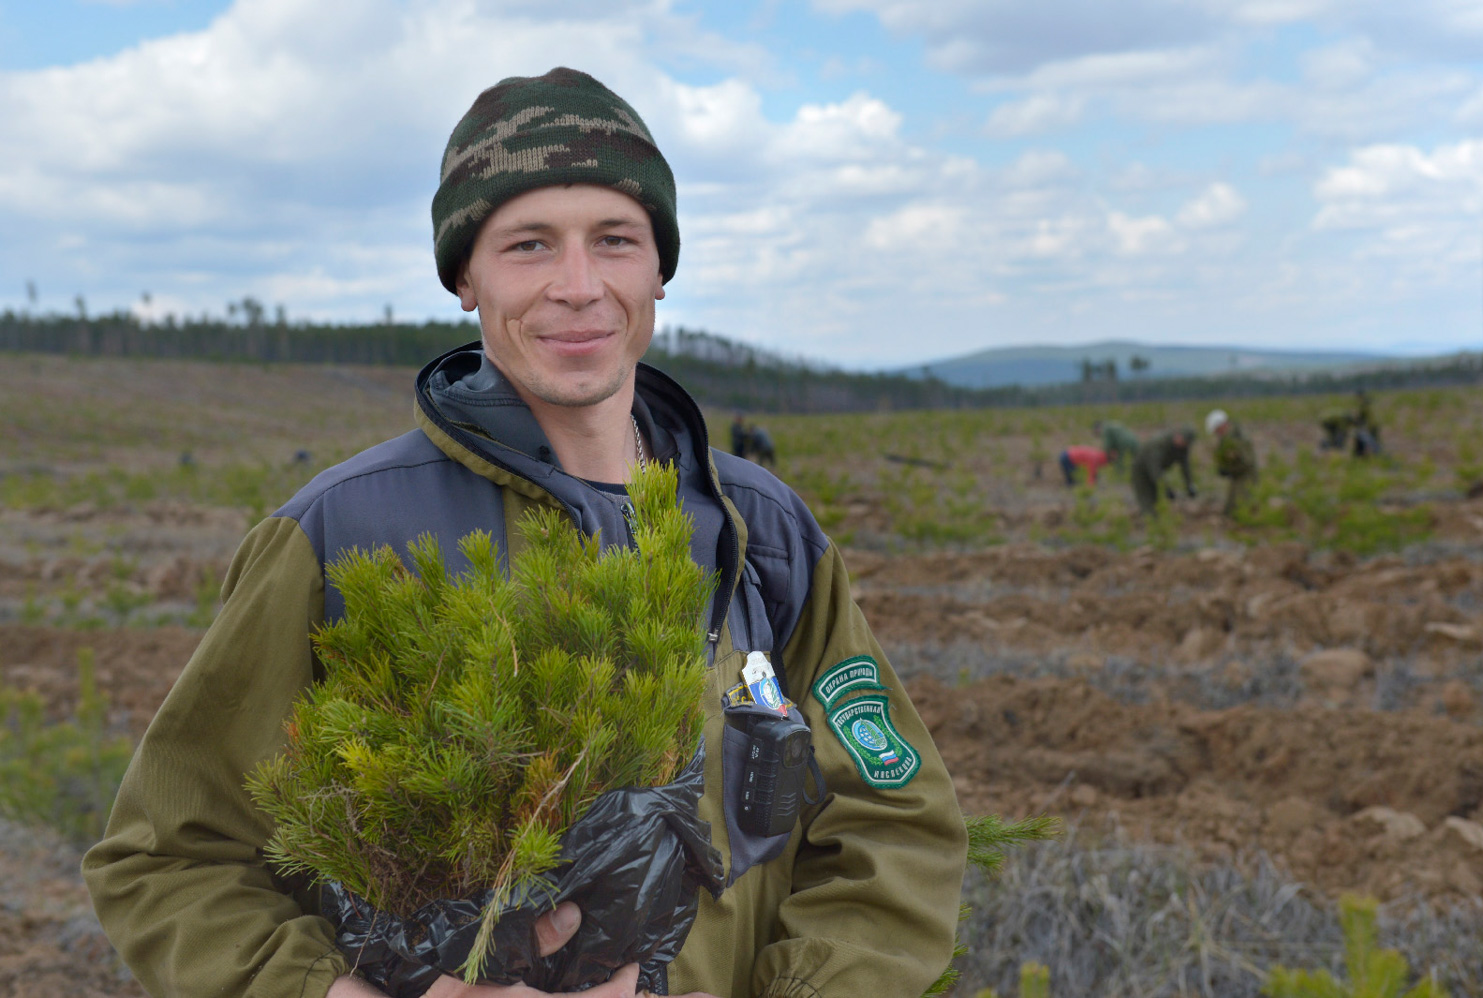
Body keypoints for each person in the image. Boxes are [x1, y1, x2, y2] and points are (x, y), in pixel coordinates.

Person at [82, 68, 966, 998]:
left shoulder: (762, 533)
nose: (577, 287)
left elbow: (890, 821)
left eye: (615, 241)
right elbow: (168, 857)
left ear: (658, 267)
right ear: (466, 275)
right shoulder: (343, 535)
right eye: (529, 244)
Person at [1132, 427, 1196, 514]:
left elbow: (1185, 467)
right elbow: (1154, 468)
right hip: (1141, 470)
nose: (1183, 444)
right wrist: (1166, 488)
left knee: (1157, 502)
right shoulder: (1160, 443)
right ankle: (1150, 522)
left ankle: (1156, 521)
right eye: (1182, 440)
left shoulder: (1182, 448)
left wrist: (1190, 485)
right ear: (1178, 436)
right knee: (1147, 500)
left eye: (1186, 443)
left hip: (1155, 470)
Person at [1205, 409, 1256, 516]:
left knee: (1244, 506)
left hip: (1246, 477)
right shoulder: (1229, 438)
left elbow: (1247, 462)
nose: (1217, 434)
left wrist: (1229, 470)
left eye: (1217, 430)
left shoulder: (1237, 438)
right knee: (1231, 507)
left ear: (1223, 425)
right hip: (1238, 476)